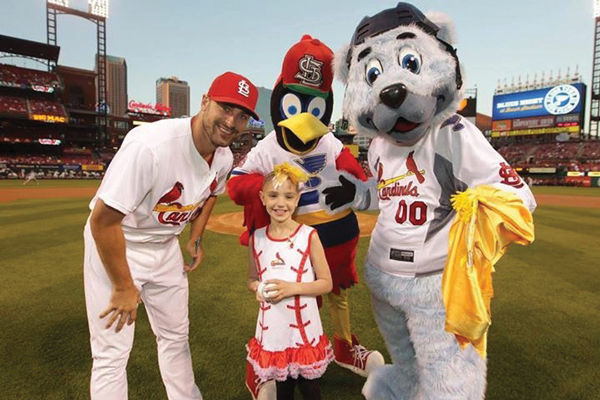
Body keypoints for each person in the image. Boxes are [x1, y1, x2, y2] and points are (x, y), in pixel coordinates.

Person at [83, 71, 259, 400]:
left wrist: (195, 235)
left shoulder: (222, 157)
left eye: (242, 116)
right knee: (112, 352)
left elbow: (210, 193)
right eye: (225, 108)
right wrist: (123, 285)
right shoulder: (151, 146)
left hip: (165, 249)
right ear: (205, 102)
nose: (231, 121)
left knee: (176, 337)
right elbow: (102, 221)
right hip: (120, 244)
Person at [246, 163, 334, 400]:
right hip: (273, 328)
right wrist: (258, 288)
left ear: (297, 200)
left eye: (288, 196)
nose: (280, 203)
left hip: (304, 328)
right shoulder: (257, 238)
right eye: (273, 196)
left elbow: (326, 283)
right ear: (263, 198)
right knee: (283, 389)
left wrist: (291, 289)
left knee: (310, 389)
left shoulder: (309, 236)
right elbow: (252, 279)